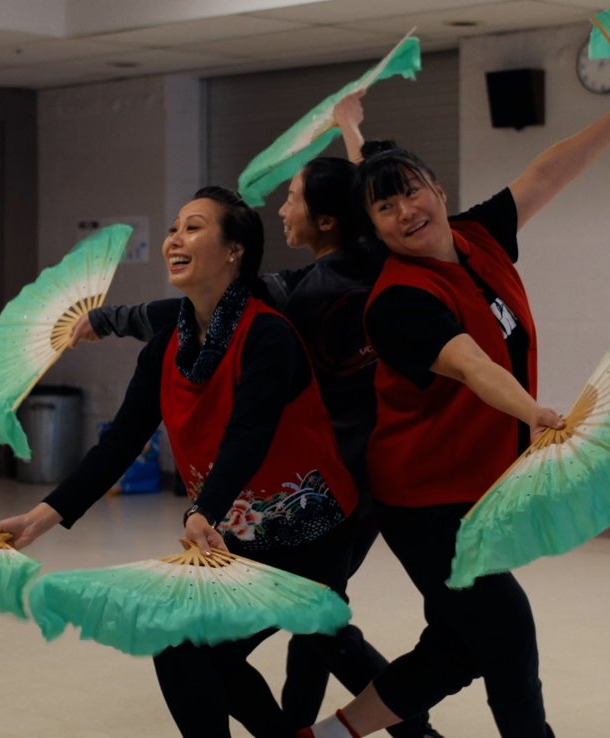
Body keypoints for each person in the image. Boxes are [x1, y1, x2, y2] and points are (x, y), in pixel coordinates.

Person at [71, 98, 444, 738]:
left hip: (327, 491)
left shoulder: (300, 292)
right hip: (361, 481)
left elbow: (187, 310)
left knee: (316, 626)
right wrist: (353, 132)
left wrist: (107, 321)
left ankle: (383, 725)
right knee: (320, 623)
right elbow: (378, 184)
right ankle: (395, 725)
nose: (283, 206)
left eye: (293, 197)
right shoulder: (377, 266)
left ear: (324, 221)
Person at [299, 71, 610, 738]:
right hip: (426, 502)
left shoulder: (479, 237)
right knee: (507, 633)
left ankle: (327, 736)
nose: (405, 211)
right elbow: (471, 364)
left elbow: (546, 174)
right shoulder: (399, 299)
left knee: (460, 646)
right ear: (372, 229)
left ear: (438, 188)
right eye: (384, 210)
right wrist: (533, 412)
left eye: (412, 193)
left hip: (479, 489)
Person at [0, 186, 359, 738]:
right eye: (173, 228)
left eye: (194, 227)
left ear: (234, 250)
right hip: (233, 535)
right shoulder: (165, 346)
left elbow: (247, 436)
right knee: (198, 653)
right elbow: (119, 444)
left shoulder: (268, 335)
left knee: (188, 647)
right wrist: (39, 519)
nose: (174, 240)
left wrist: (200, 510)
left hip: (308, 535)